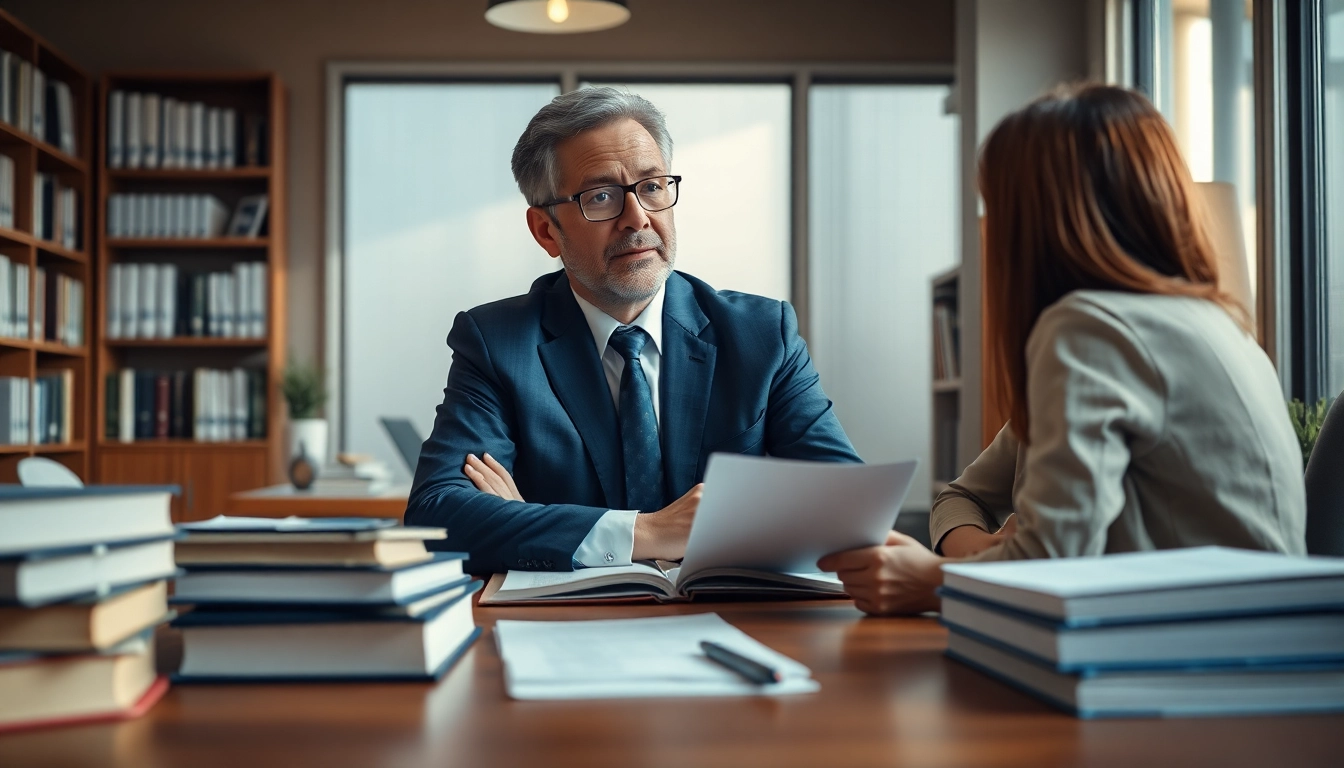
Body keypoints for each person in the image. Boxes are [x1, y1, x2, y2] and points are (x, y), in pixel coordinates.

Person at [818, 84, 1306, 616]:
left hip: (1193, 653)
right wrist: (982, 555)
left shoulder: (1091, 330)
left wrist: (935, 579)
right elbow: (963, 499)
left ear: (1033, 221)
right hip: (1254, 639)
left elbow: (1053, 561)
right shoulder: (1213, 322)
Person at [405, 87, 861, 575]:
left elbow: (849, 505)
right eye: (600, 197)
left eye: (652, 187)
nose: (638, 218)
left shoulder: (762, 334)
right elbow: (437, 518)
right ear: (545, 231)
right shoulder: (497, 342)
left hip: (737, 616)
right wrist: (648, 532)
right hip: (563, 631)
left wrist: (526, 521)